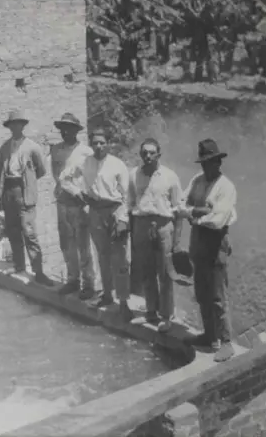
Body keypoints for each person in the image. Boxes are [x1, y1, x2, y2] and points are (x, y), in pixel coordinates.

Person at [176, 139, 237, 362]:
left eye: (211, 162)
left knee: (218, 296)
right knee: (202, 293)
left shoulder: (226, 187)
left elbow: (218, 220)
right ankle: (209, 336)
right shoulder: (197, 180)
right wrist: (199, 211)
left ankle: (227, 342)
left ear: (218, 162)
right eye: (203, 162)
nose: (207, 166)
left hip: (216, 242)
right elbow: (180, 205)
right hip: (198, 242)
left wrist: (195, 216)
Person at [128, 138, 184, 332]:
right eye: (144, 153)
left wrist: (176, 241)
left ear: (159, 154)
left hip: (163, 225)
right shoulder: (133, 174)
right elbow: (129, 203)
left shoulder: (170, 176)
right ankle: (150, 312)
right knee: (146, 270)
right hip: (141, 224)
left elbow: (178, 209)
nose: (148, 156)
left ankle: (166, 315)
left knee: (165, 273)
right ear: (140, 154)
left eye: (152, 153)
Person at [0, 108, 54, 285]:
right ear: (10, 127)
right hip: (9, 190)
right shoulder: (5, 147)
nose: (15, 127)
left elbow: (41, 170)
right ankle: (19, 265)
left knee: (29, 232)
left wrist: (29, 183)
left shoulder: (32, 147)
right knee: (12, 229)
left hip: (24, 191)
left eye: (18, 124)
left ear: (23, 126)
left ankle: (39, 271)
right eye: (12, 125)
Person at [80, 128, 133, 321]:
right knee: (102, 255)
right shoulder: (86, 162)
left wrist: (122, 219)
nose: (99, 146)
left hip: (115, 210)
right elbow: (82, 185)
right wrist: (87, 202)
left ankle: (124, 303)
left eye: (102, 142)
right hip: (96, 211)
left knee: (120, 258)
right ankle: (108, 295)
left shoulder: (118, 165)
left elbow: (126, 197)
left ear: (108, 144)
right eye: (95, 143)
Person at [50, 113, 96, 299]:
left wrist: (81, 194)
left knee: (83, 244)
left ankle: (89, 283)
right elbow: (56, 174)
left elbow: (91, 177)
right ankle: (72, 279)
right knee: (66, 243)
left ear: (76, 131)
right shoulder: (56, 150)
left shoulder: (86, 152)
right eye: (63, 129)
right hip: (63, 202)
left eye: (69, 129)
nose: (65, 132)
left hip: (79, 203)